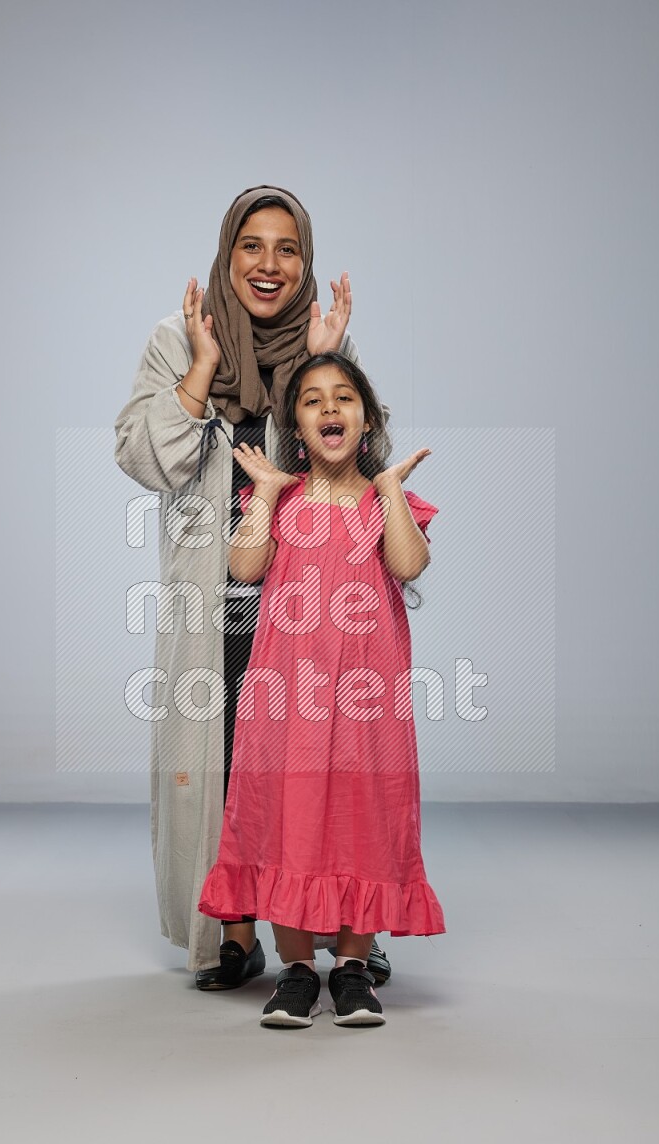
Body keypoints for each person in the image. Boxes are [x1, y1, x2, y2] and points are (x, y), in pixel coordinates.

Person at [114, 186, 393, 988]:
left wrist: (324, 361)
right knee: (221, 756)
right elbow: (144, 458)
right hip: (213, 590)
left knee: (322, 759)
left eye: (288, 249)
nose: (269, 265)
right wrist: (203, 369)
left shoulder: (318, 343)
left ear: (304, 261)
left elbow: (349, 466)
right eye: (252, 245)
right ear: (227, 252)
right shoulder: (180, 337)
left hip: (305, 596)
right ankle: (234, 933)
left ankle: (345, 928)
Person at [198, 353, 445, 1027]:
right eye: (312, 400)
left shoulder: (386, 499)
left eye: (344, 397)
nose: (329, 408)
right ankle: (299, 969)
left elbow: (407, 562)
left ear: (365, 419)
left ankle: (355, 968)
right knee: (289, 812)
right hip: (288, 697)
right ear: (297, 426)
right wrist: (270, 495)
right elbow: (243, 567)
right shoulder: (278, 500)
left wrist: (390, 492)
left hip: (368, 700)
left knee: (364, 811)